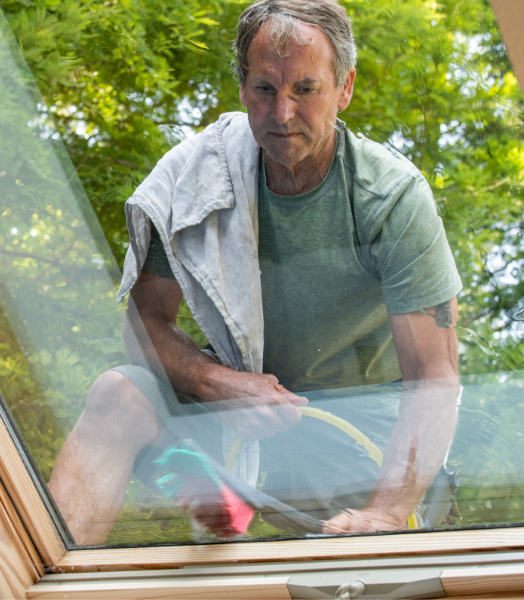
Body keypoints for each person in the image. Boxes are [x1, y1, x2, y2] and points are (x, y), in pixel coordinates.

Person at [48, 0, 462, 545]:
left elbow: (435, 377)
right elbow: (143, 324)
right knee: (118, 393)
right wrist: (215, 382)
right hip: (234, 422)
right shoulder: (195, 179)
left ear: (345, 89)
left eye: (306, 89)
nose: (282, 113)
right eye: (265, 88)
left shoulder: (390, 198)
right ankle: (52, 574)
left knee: (358, 550)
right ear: (243, 88)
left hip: (362, 440)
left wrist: (386, 513)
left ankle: (317, 522)